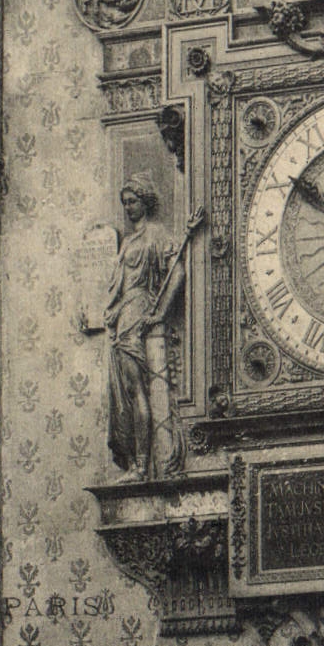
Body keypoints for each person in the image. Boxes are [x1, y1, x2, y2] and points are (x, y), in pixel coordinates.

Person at [101, 176, 196, 481]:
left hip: (139, 309)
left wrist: (160, 314)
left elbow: (177, 273)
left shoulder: (157, 233)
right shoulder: (128, 240)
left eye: (132, 200)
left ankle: (141, 466)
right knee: (127, 392)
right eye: (124, 202)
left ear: (145, 201)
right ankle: (135, 462)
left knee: (137, 390)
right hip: (123, 316)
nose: (128, 207)